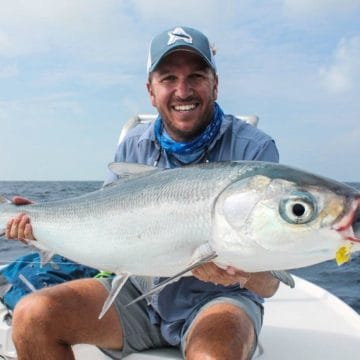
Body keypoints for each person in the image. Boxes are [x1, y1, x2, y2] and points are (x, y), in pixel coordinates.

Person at [6, 26, 280, 360]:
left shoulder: (253, 151)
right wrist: (42, 224)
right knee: (33, 315)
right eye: (168, 79)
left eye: (196, 76)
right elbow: (100, 223)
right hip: (138, 295)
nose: (183, 90)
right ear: (151, 91)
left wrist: (240, 273)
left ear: (215, 85)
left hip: (217, 302)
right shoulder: (133, 144)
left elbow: (271, 284)